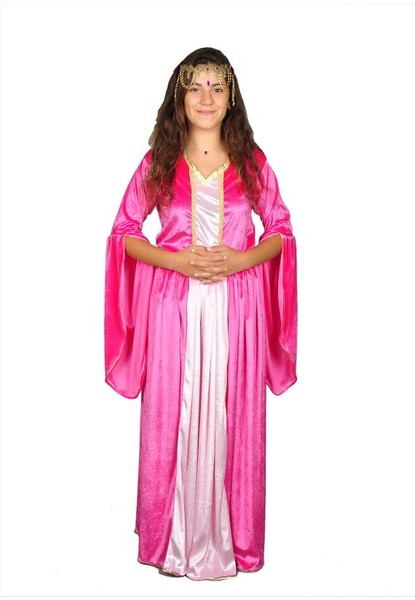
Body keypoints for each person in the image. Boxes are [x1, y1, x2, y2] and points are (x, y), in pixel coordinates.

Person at [104, 47, 298, 581]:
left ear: (231, 97)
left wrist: (240, 259)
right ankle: (171, 543)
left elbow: (281, 231)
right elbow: (123, 232)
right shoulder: (159, 163)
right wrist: (173, 259)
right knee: (174, 414)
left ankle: (232, 545)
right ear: (180, 97)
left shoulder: (252, 163)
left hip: (238, 311)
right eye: (195, 87)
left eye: (217, 86)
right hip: (174, 312)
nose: (206, 97)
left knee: (233, 416)